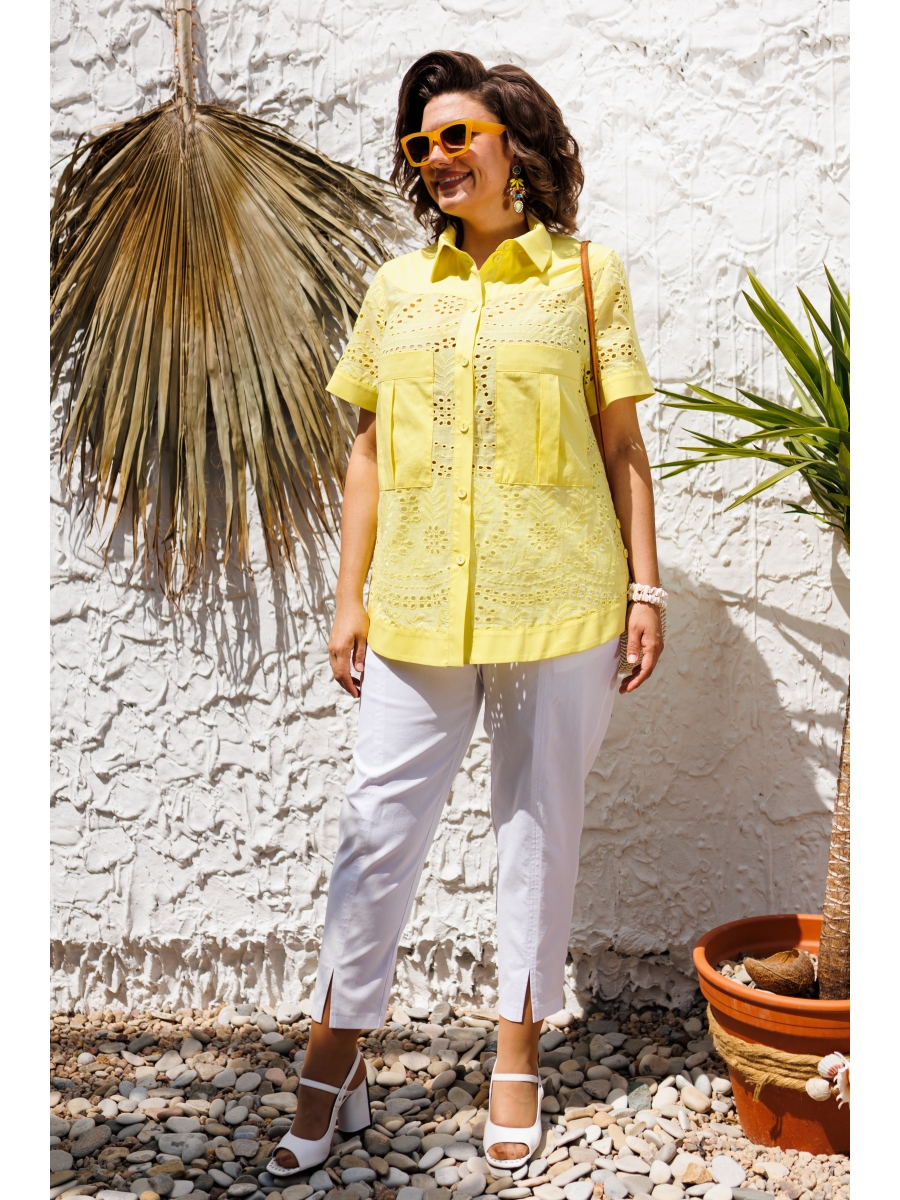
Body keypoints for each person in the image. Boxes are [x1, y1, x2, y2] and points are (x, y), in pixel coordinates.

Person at [270, 49, 664, 1179]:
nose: (436, 157)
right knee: (378, 826)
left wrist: (646, 588)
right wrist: (347, 598)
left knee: (538, 825)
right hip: (415, 605)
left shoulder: (586, 275)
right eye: (422, 143)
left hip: (565, 600)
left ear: (516, 150)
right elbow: (366, 452)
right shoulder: (399, 290)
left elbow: (623, 446)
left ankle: (517, 1051)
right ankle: (334, 1050)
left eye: (457, 136)